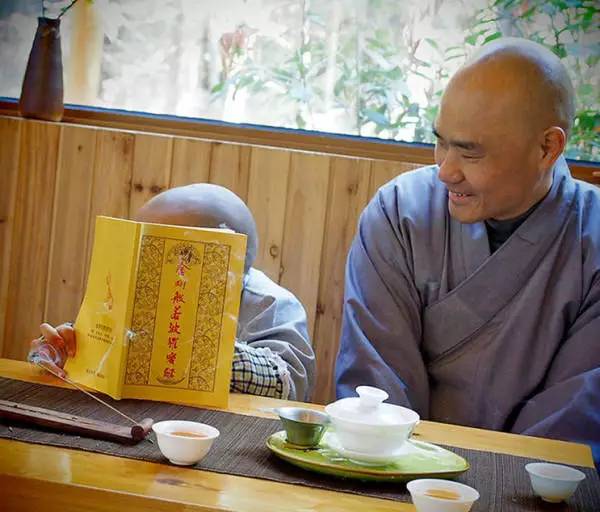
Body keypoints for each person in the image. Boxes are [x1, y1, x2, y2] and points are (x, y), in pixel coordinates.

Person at [335, 38, 600, 464]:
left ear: (547, 148)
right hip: (392, 476)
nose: (445, 170)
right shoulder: (400, 213)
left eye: (470, 152)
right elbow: (375, 389)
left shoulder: (594, 240)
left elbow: (571, 428)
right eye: (442, 142)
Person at [31, 183, 315, 401]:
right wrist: (64, 350)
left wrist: (185, 348)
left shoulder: (271, 304)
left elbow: (289, 385)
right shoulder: (139, 295)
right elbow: (95, 359)